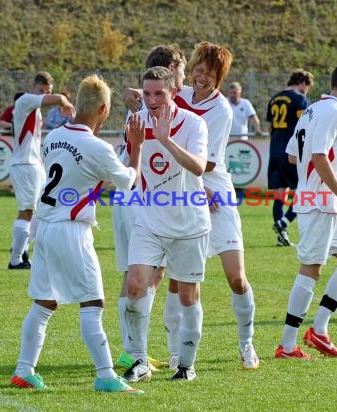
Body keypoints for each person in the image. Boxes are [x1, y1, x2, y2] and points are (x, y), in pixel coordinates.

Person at [9, 73, 144, 394]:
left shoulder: (55, 135)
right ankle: (106, 375)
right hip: (72, 230)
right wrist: (136, 148)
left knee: (43, 304)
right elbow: (129, 181)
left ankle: (24, 370)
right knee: (93, 303)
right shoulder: (95, 146)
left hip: (45, 227)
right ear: (102, 110)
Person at [173, 42, 260, 371]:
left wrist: (203, 192)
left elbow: (207, 164)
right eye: (198, 69)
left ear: (219, 77)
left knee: (236, 277)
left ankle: (246, 343)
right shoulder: (176, 95)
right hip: (181, 190)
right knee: (178, 280)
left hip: (214, 191)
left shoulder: (221, 110)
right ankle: (174, 351)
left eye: (209, 73)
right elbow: (148, 93)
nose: (202, 76)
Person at [123, 66, 210, 382]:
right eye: (146, 93)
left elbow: (199, 167)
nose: (151, 99)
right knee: (135, 284)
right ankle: (139, 361)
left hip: (189, 224)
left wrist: (165, 140)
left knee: (188, 296)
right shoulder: (135, 123)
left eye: (158, 92)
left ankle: (186, 365)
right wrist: (136, 147)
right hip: (149, 220)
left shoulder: (193, 124)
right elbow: (132, 176)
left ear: (174, 91)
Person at [276, 61, 337, 360]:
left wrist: (336, 171)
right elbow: (317, 156)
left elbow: (293, 156)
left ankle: (319, 330)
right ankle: (287, 345)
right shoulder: (335, 112)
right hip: (321, 202)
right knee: (311, 269)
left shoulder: (313, 109)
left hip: (317, 199)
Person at [113, 44, 186, 372]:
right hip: (143, 196)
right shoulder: (164, 105)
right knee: (150, 274)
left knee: (134, 274)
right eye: (183, 70)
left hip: (126, 194)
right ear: (172, 69)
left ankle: (130, 350)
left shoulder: (143, 101)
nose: (185, 78)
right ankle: (134, 351)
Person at [7, 72, 74, 270]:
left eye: (47, 91)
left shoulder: (33, 107)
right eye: (42, 91)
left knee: (41, 211)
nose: (45, 95)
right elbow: (59, 98)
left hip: (34, 164)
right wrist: (63, 101)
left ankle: (23, 251)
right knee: (27, 211)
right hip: (24, 164)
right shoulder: (25, 100)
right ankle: (15, 259)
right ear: (33, 88)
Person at [266, 69, 314, 246]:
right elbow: (304, 126)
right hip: (292, 152)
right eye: (307, 87)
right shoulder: (300, 99)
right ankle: (283, 223)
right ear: (303, 83)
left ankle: (281, 237)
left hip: (275, 150)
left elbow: (270, 128)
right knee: (304, 191)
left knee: (280, 194)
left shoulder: (274, 98)